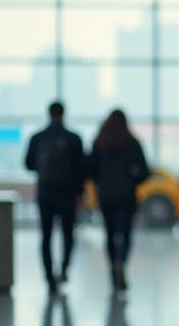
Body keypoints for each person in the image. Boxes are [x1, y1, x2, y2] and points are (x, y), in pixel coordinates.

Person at [25, 102, 86, 293]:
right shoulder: (74, 138)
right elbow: (81, 169)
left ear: (49, 113)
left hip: (45, 193)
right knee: (68, 233)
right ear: (63, 114)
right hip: (67, 194)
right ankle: (65, 268)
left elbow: (28, 164)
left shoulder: (37, 137)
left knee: (46, 235)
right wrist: (80, 193)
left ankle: (49, 277)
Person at [86, 110, 149, 294]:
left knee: (110, 234)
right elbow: (144, 171)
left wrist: (101, 182)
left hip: (105, 196)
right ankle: (121, 263)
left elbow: (89, 169)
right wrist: (131, 180)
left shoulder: (100, 142)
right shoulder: (132, 143)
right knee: (125, 234)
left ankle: (113, 270)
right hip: (126, 196)